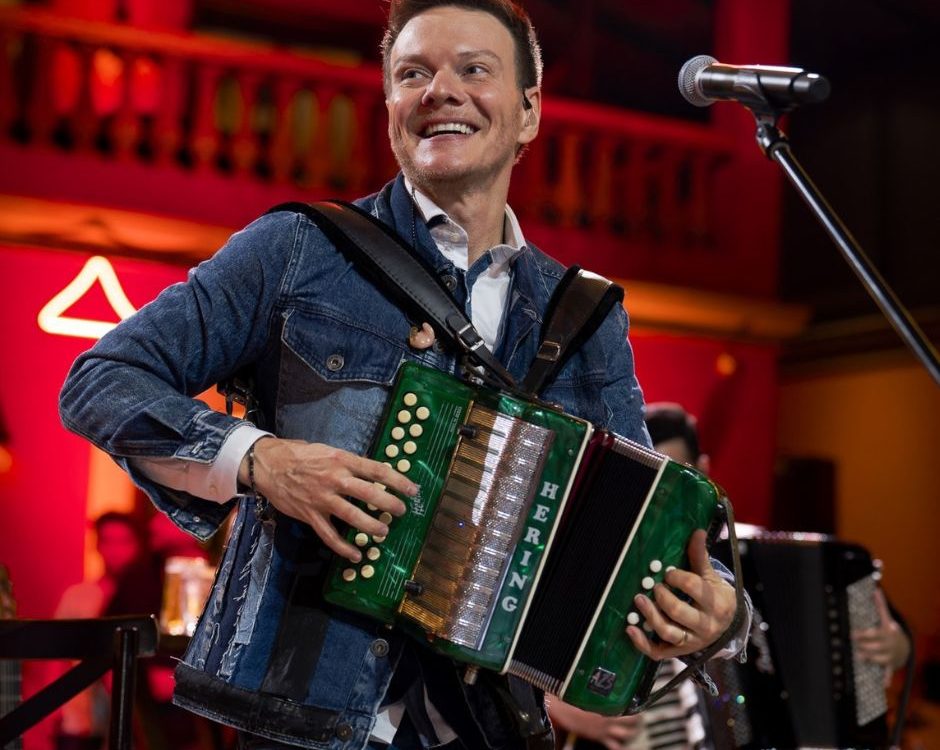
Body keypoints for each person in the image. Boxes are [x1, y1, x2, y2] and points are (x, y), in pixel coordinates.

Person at [59, 3, 743, 748]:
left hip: (491, 728)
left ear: (528, 111)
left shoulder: (581, 314)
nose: (439, 90)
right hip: (305, 719)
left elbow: (650, 525)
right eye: (413, 73)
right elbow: (101, 379)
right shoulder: (298, 249)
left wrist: (718, 612)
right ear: (390, 108)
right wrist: (264, 461)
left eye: (473, 69)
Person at [547, 403, 726, 750]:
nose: (666, 496)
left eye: (680, 477)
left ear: (704, 472)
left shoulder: (732, 566)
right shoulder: (599, 554)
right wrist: (561, 707)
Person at [52, 512, 163, 750]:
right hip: (80, 713)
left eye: (123, 541)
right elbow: (56, 659)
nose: (115, 550)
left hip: (134, 711)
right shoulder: (78, 596)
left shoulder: (147, 597)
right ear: (97, 545)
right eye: (107, 541)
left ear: (137, 544)